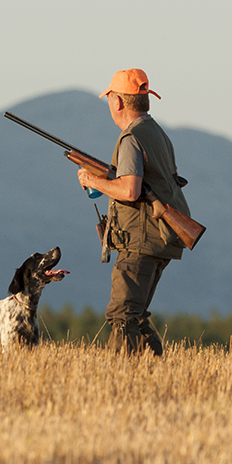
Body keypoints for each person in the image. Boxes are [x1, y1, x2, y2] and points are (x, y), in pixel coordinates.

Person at [77, 69, 190, 356]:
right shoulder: (158, 135)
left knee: (122, 316)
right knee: (135, 316)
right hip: (158, 238)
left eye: (110, 98)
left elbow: (130, 191)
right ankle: (154, 373)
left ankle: (120, 382)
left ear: (117, 102)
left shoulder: (131, 138)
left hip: (140, 240)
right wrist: (105, 180)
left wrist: (92, 181)